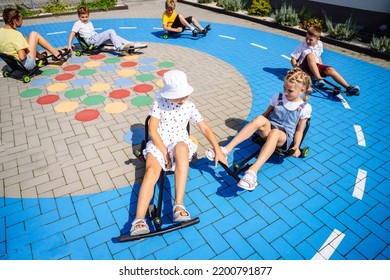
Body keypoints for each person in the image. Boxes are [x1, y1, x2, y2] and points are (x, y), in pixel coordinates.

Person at [130, 70, 228, 236]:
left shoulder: (189, 106)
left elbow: (204, 127)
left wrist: (218, 150)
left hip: (178, 141)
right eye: (178, 96)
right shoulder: (159, 103)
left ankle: (179, 205)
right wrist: (165, 154)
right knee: (152, 171)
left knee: (182, 147)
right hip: (160, 143)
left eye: (184, 95)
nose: (182, 99)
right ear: (168, 94)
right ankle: (139, 219)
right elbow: (153, 131)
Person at [206, 68, 312, 191]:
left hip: (283, 137)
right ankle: (225, 149)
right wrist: (257, 123)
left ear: (301, 90)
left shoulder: (304, 107)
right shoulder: (278, 97)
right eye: (284, 88)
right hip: (269, 129)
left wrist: (296, 146)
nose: (286, 92)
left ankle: (252, 172)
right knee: (260, 119)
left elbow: (299, 130)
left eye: (290, 90)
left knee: (275, 132)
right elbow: (266, 114)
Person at [290, 25, 360, 96]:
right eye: (306, 38)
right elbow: (293, 59)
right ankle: (319, 79)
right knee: (310, 55)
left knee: (330, 69)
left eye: (311, 40)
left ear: (318, 39)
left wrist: (322, 67)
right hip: (304, 68)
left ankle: (348, 87)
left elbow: (318, 57)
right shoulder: (302, 45)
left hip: (315, 67)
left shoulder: (320, 44)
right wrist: (297, 70)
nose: (307, 41)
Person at [0, 8, 70, 71]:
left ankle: (41, 57)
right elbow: (22, 57)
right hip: (25, 65)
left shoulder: (1, 31)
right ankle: (57, 54)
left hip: (13, 65)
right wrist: (25, 50)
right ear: (15, 20)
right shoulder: (16, 35)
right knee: (34, 34)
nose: (22, 21)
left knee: (25, 38)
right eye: (21, 19)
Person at [67, 6, 147, 53]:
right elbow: (72, 34)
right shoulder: (77, 24)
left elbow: (93, 32)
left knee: (115, 36)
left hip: (95, 37)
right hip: (91, 41)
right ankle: (119, 47)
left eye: (86, 17)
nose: (85, 18)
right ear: (79, 16)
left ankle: (131, 45)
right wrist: (69, 46)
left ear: (88, 15)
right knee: (111, 31)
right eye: (82, 17)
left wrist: (100, 36)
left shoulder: (89, 22)